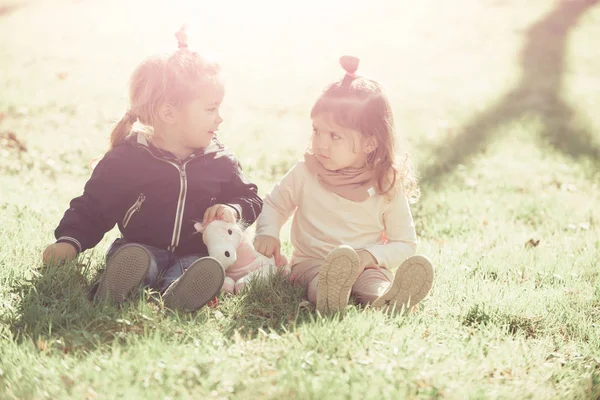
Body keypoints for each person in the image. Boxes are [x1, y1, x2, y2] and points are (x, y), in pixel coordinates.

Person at [41, 26, 262, 312]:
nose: (219, 119)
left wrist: (232, 209)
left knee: (197, 268)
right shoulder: (128, 159)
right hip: (139, 249)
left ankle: (179, 293)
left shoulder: (220, 160)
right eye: (210, 109)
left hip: (193, 253)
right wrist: (69, 241)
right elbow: (93, 206)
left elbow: (251, 197)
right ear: (169, 113)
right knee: (137, 261)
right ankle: (118, 286)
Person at [254, 56, 434, 314]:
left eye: (335, 136)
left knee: (374, 282)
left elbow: (404, 243)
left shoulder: (385, 186)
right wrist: (268, 232)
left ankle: (386, 299)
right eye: (317, 131)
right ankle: (328, 295)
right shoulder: (306, 172)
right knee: (318, 280)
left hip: (364, 265)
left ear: (370, 143)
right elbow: (275, 204)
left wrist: (370, 257)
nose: (321, 143)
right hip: (312, 263)